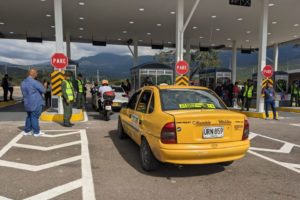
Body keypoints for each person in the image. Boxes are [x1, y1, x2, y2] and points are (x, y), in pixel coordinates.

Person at [20, 69, 46, 136]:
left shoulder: (23, 82)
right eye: (36, 73)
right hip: (36, 102)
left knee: (29, 116)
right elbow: (43, 90)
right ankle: (36, 132)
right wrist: (45, 85)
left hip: (27, 102)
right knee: (35, 117)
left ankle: (27, 131)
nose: (37, 74)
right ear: (33, 74)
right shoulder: (35, 82)